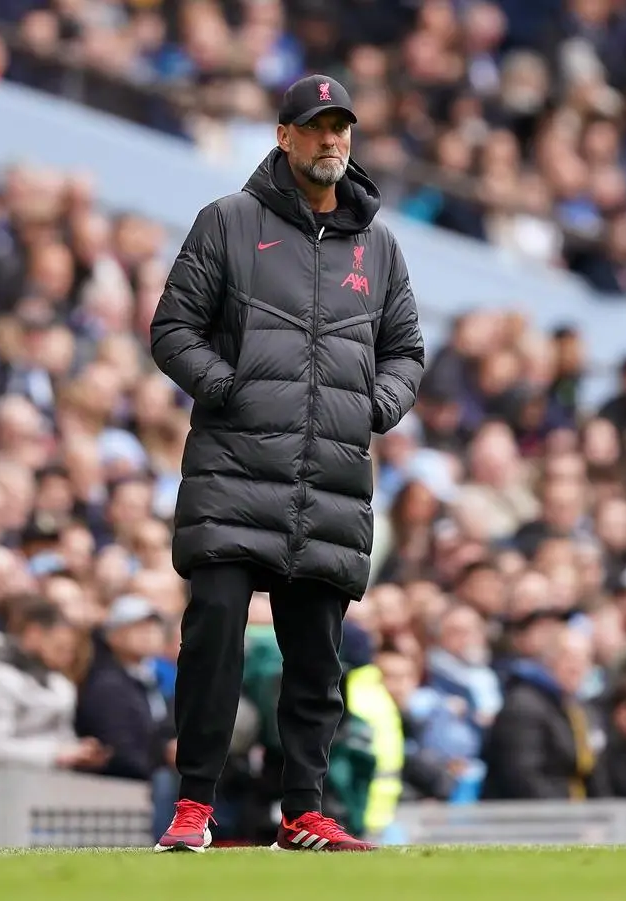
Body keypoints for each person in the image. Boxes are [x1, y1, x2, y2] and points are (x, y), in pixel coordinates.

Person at [149, 73, 425, 853]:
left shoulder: (381, 243)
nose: (331, 139)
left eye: (342, 127)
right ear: (285, 137)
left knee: (317, 661)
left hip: (329, 479)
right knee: (212, 639)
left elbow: (406, 349)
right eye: (316, 126)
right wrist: (227, 388)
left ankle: (303, 810)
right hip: (235, 468)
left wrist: (376, 407)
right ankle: (194, 808)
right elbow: (173, 328)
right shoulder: (228, 222)